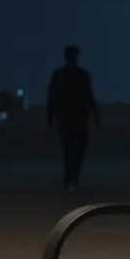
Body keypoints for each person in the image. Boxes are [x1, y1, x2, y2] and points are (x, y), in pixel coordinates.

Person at [46, 45, 99, 192]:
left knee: (71, 149)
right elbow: (89, 97)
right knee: (74, 148)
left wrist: (50, 118)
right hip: (74, 116)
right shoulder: (79, 75)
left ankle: (71, 178)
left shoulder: (63, 75)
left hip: (69, 116)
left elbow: (52, 98)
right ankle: (71, 178)